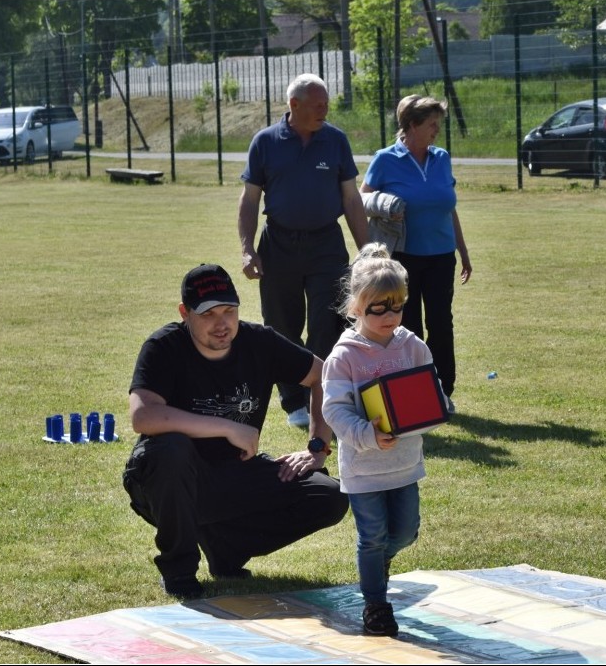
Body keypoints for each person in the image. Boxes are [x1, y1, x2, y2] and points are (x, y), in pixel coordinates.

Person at [122, 264, 349, 600]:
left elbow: (324, 376)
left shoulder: (259, 342)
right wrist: (227, 427)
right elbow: (143, 416)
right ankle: (179, 570)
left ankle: (225, 548)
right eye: (208, 313)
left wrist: (318, 446)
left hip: (234, 473)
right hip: (166, 481)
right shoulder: (164, 346)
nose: (222, 323)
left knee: (329, 496)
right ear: (185, 314)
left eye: (229, 311)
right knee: (171, 448)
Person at [322, 244, 441, 637]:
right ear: (356, 306)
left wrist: (434, 408)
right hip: (363, 467)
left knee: (405, 532)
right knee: (371, 536)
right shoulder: (345, 355)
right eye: (378, 308)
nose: (390, 316)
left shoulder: (412, 346)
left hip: (404, 465)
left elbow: (431, 390)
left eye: (397, 305)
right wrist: (367, 435)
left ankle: (378, 563)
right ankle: (376, 604)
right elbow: (334, 410)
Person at [238, 73, 368, 428]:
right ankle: (293, 399)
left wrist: (369, 249)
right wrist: (248, 249)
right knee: (281, 325)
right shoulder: (265, 142)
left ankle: (324, 397)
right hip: (278, 244)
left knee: (329, 322)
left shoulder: (336, 141)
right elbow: (250, 200)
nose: (325, 110)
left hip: (326, 243)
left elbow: (351, 198)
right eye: (318, 105)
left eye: (326, 104)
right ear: (294, 105)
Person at [360, 95, 472, 415]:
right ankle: (410, 391)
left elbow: (449, 207)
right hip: (402, 258)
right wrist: (386, 205)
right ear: (412, 125)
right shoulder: (385, 159)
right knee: (406, 327)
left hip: (440, 256)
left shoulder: (442, 158)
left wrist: (462, 250)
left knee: (440, 323)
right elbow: (362, 199)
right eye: (432, 123)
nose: (437, 130)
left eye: (439, 123)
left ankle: (442, 391)